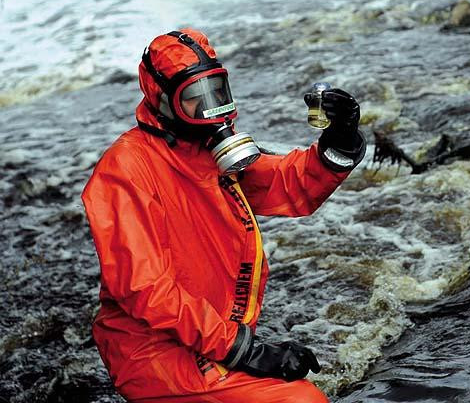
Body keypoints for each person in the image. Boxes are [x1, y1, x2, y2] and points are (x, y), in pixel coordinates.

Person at [81, 28, 366, 403]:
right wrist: (247, 351)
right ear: (162, 102)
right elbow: (145, 290)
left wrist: (339, 143)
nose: (209, 109)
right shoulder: (125, 169)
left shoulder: (205, 153)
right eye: (193, 99)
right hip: (153, 354)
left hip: (207, 335)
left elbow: (288, 186)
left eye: (217, 93)